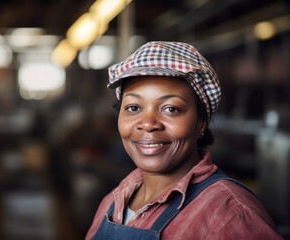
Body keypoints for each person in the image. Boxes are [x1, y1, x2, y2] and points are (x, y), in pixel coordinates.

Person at [85, 41, 283, 239]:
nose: (148, 124)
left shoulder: (232, 216)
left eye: (171, 109)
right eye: (134, 108)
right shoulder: (112, 202)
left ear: (201, 124)